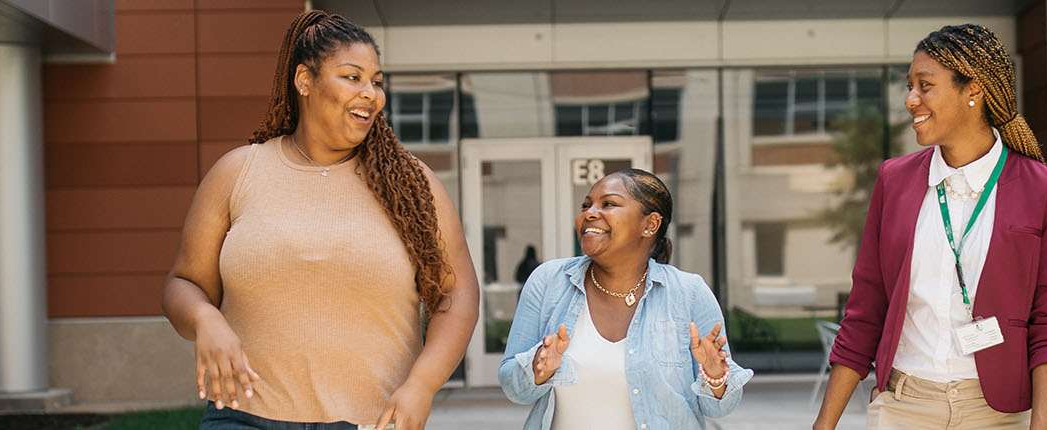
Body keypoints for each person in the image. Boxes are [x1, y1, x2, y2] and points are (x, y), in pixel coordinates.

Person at [159, 10, 479, 430]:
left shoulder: (414, 186)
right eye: (352, 77)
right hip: (243, 417)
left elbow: (457, 295)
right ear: (304, 81)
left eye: (377, 81)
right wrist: (206, 320)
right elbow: (183, 284)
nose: (371, 93)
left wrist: (421, 385)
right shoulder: (237, 174)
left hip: (371, 421)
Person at [812, 23, 1047, 430]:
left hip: (999, 415)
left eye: (925, 85)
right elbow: (866, 308)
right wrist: (824, 424)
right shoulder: (894, 181)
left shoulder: (1045, 189)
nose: (910, 99)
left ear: (973, 90)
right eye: (910, 85)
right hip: (903, 406)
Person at [499, 169, 750, 429]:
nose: (589, 213)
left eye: (608, 204)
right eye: (586, 205)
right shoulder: (549, 281)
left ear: (650, 224)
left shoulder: (689, 293)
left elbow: (719, 407)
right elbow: (513, 388)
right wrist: (539, 368)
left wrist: (715, 376)